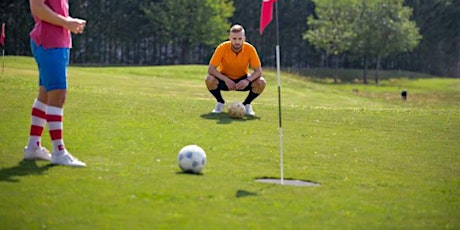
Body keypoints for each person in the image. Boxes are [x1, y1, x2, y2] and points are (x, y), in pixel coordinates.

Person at [23, 0, 87, 167]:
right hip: (49, 42)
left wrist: (69, 21)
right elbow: (37, 7)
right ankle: (59, 152)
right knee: (58, 94)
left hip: (56, 42)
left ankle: (33, 147)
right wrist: (67, 22)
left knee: (45, 95)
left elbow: (53, 11)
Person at [205, 24, 266, 116]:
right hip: (225, 79)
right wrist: (226, 80)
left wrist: (247, 80)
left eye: (240, 39)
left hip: (243, 79)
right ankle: (220, 103)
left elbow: (258, 71)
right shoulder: (222, 48)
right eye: (234, 39)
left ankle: (247, 104)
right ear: (229, 38)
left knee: (261, 82)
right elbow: (211, 69)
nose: (237, 42)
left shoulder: (250, 49)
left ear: (244, 38)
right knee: (209, 79)